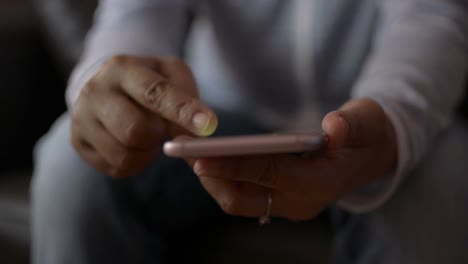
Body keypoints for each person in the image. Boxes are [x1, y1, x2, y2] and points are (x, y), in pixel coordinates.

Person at [32, 0, 468, 263]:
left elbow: (428, 16)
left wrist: (391, 120)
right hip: (218, 113)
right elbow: (140, 11)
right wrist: (111, 88)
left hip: (379, 107)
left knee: (445, 178)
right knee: (68, 166)